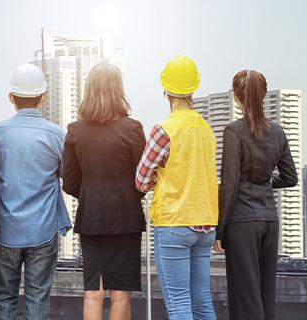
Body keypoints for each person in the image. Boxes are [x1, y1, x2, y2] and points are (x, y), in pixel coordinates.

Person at [135, 55, 218, 320]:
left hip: (174, 224)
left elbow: (140, 179)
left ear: (165, 90)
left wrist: (157, 179)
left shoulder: (164, 130)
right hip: (205, 225)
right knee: (202, 302)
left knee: (179, 302)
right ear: (193, 89)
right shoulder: (206, 129)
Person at [62, 62, 146, 320]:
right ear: (118, 89)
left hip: (91, 218)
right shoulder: (133, 128)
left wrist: (91, 194)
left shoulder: (76, 131)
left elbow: (69, 182)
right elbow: (142, 179)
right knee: (121, 293)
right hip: (126, 218)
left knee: (93, 292)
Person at [0, 64, 72, 320]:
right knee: (38, 300)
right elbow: (68, 177)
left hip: (3, 231)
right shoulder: (57, 136)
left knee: (3, 301)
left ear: (11, 97)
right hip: (43, 231)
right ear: (44, 96)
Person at [214, 69, 298, 320]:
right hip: (269, 222)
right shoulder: (278, 131)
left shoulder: (234, 131)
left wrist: (220, 231)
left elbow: (229, 184)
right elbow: (290, 178)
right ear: (262, 95)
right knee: (265, 295)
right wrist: (263, 181)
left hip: (242, 222)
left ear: (236, 96)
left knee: (245, 295)